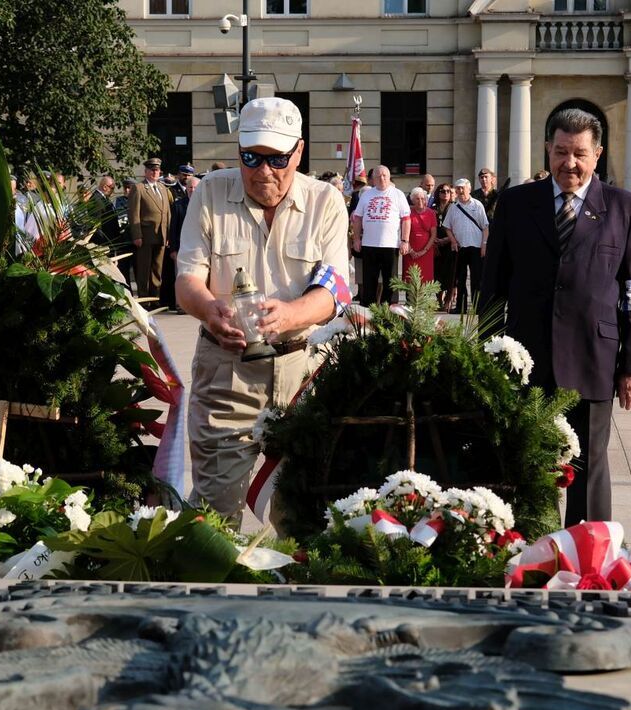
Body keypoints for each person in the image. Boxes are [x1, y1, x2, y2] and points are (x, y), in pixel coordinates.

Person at [175, 97, 350, 527]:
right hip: (226, 372)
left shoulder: (325, 201)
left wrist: (290, 314)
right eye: (250, 156)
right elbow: (186, 281)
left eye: (276, 159)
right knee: (214, 516)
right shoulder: (210, 194)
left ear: (299, 151)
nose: (262, 170)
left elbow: (337, 290)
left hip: (302, 373)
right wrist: (209, 309)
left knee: (304, 518)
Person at [481, 107, 631, 526]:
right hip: (525, 356)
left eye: (579, 153)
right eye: (560, 152)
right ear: (547, 149)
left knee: (589, 464)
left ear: (598, 155)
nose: (568, 163)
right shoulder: (516, 203)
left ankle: (589, 558)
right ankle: (532, 555)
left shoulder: (625, 208)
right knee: (527, 460)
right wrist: (485, 351)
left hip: (594, 357)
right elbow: (493, 285)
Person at [351, 165, 410, 305]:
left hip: (390, 245)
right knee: (369, 280)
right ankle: (367, 309)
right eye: (378, 176)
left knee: (390, 280)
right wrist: (356, 239)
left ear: (389, 178)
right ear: (373, 180)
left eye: (384, 176)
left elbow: (406, 219)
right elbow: (357, 218)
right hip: (369, 244)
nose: (382, 178)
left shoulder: (398, 194)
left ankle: (389, 310)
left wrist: (405, 240)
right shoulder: (366, 195)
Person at [129, 156, 172, 299]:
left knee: (157, 269)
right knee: (143, 269)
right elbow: (133, 213)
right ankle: (144, 299)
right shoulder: (139, 188)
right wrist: (137, 235)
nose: (155, 173)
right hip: (145, 236)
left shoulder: (163, 188)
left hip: (161, 235)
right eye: (152, 170)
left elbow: (168, 213)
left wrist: (168, 235)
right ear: (146, 171)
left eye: (157, 170)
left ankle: (155, 298)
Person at [445, 178, 489, 314]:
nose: (459, 190)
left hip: (476, 247)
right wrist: (452, 241)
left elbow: (485, 227)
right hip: (460, 248)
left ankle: (478, 307)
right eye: (457, 188)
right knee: (460, 279)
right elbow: (447, 227)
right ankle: (460, 307)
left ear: (469, 189)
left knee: (477, 279)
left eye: (462, 188)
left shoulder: (477, 205)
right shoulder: (453, 207)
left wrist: (484, 245)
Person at [161, 175, 197, 314]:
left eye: (194, 187)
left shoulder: (205, 204)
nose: (192, 190)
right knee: (180, 277)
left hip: (199, 247)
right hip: (182, 248)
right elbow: (173, 229)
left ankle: (195, 304)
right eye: (189, 187)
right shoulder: (178, 205)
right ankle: (180, 305)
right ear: (186, 189)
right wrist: (173, 250)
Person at [401, 187, 437, 284]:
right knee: (410, 280)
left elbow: (433, 235)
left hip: (426, 252)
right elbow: (402, 232)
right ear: (412, 200)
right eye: (417, 198)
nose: (420, 201)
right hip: (410, 252)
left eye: (423, 198)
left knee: (425, 282)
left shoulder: (431, 213)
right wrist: (411, 251)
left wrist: (424, 251)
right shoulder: (407, 212)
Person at [431, 183, 458, 311]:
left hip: (450, 244)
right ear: (438, 193)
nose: (445, 193)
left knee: (450, 275)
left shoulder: (455, 207)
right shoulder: (433, 207)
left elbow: (458, 228)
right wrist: (434, 241)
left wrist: (446, 240)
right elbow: (430, 225)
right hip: (436, 245)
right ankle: (438, 300)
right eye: (442, 191)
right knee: (437, 274)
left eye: (448, 191)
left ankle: (448, 302)